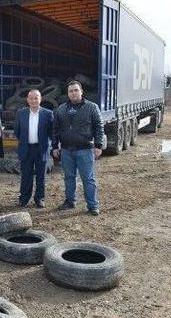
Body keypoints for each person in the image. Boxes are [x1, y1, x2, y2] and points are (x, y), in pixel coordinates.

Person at [52, 80, 104, 216]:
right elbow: (55, 130)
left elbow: (99, 127)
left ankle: (92, 205)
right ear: (68, 94)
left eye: (76, 90)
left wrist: (98, 145)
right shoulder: (61, 109)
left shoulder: (92, 107)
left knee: (88, 179)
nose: (73, 93)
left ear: (81, 92)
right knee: (69, 177)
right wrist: (54, 146)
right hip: (66, 150)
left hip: (85, 149)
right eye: (71, 91)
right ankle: (70, 201)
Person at [14, 89, 53, 208]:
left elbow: (51, 132)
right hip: (26, 149)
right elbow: (17, 132)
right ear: (27, 100)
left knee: (41, 176)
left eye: (36, 98)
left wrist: (49, 145)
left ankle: (39, 198)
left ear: (40, 99)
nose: (33, 100)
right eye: (31, 98)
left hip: (41, 149)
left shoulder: (48, 114)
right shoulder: (21, 114)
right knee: (26, 175)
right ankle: (24, 198)